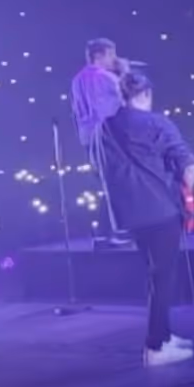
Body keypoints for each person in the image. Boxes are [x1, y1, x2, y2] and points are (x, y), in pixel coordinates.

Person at [98, 70, 194, 367]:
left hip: (130, 213)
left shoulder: (106, 126)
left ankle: (163, 335)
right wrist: (188, 194)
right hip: (161, 209)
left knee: (156, 276)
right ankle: (155, 347)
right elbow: (187, 163)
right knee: (163, 277)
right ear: (146, 94)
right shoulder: (157, 123)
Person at [71, 38, 132, 246]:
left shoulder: (77, 80)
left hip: (88, 137)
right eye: (111, 55)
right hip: (109, 136)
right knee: (118, 182)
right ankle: (115, 231)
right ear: (99, 55)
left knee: (108, 184)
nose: (114, 59)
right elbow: (124, 102)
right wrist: (124, 73)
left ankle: (104, 233)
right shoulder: (106, 77)